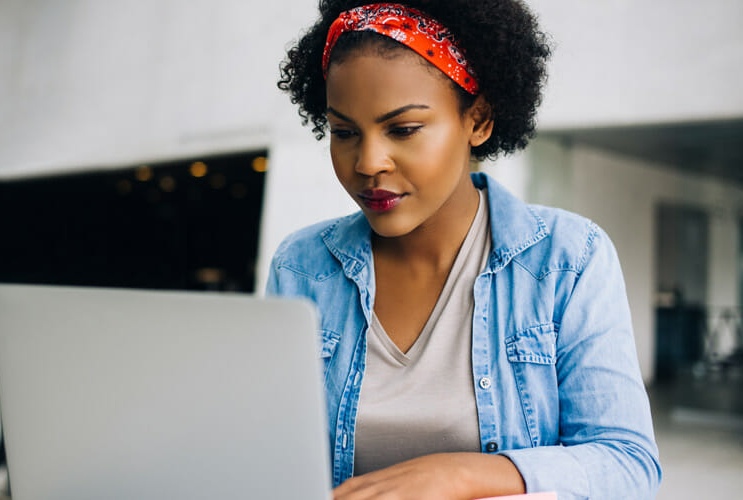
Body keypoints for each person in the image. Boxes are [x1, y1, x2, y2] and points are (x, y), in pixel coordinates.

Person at [266, 1, 661, 499]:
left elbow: (627, 465)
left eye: (403, 129)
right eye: (345, 132)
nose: (368, 163)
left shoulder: (568, 259)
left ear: (478, 120)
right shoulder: (302, 267)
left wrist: (457, 475)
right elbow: (273, 454)